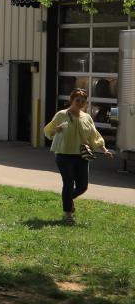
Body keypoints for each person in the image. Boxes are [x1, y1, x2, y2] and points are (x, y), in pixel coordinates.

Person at [43, 88, 113, 224]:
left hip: (82, 155)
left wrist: (104, 149)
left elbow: (94, 135)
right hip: (64, 155)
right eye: (77, 100)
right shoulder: (61, 115)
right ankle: (68, 214)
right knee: (68, 184)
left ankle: (68, 199)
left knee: (82, 186)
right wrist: (55, 131)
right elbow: (48, 131)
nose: (80, 103)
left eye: (83, 101)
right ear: (72, 101)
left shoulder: (87, 117)